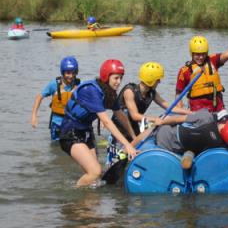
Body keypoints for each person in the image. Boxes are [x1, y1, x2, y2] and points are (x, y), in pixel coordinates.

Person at [59, 59, 137, 187]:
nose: (119, 82)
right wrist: (127, 145)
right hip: (70, 133)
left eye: (121, 78)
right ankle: (73, 197)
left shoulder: (109, 93)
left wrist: (134, 138)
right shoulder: (91, 91)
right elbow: (106, 121)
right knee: (95, 172)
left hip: (86, 132)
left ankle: (90, 204)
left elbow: (121, 116)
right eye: (116, 78)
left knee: (96, 178)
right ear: (106, 77)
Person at [106, 62, 191, 167]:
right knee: (116, 162)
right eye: (157, 79)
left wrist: (190, 113)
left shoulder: (152, 93)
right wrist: (156, 119)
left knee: (132, 157)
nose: (159, 81)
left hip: (134, 130)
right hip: (119, 131)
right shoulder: (129, 91)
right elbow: (135, 116)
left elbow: (169, 106)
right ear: (151, 79)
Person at [132, 108, 228, 169]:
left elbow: (177, 119)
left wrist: (160, 121)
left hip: (165, 138)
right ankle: (189, 154)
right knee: (196, 146)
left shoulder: (205, 117)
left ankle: (130, 146)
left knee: (154, 129)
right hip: (178, 148)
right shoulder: (220, 145)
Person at [175, 35, 228, 112]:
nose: (201, 57)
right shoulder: (185, 71)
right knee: (205, 120)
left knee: (224, 121)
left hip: (217, 106)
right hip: (197, 108)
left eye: (203, 54)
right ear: (192, 53)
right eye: (197, 54)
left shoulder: (213, 60)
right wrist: (181, 111)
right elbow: (178, 94)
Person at [31, 56, 80, 141]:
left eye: (73, 73)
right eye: (68, 73)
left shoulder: (79, 85)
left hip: (72, 123)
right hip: (57, 124)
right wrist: (34, 115)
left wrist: (100, 118)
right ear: (63, 72)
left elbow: (92, 101)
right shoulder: (54, 84)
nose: (71, 76)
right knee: (55, 148)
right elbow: (39, 97)